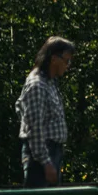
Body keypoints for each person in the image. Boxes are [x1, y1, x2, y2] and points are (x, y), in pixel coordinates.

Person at [16, 37, 75, 187]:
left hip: (53, 152)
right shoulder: (37, 85)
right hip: (41, 156)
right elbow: (34, 128)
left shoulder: (50, 82)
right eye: (66, 61)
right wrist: (46, 162)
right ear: (54, 58)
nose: (68, 65)